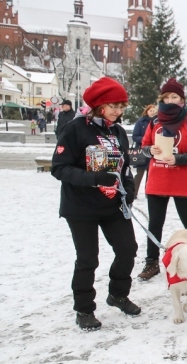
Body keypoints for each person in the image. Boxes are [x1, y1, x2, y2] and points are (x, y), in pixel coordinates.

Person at [50, 76, 140, 331]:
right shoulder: (76, 129)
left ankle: (118, 294)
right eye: (113, 106)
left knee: (127, 249)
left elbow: (124, 168)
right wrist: (93, 178)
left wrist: (129, 189)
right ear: (99, 105)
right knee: (88, 258)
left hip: (112, 205)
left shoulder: (118, 131)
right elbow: (59, 168)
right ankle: (84, 308)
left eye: (122, 106)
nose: (118, 111)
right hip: (81, 207)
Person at [137, 78, 187, 280]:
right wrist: (149, 150)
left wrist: (178, 158)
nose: (170, 100)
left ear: (182, 99)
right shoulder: (154, 122)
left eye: (174, 96)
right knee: (155, 223)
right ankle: (151, 263)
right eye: (166, 97)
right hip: (158, 180)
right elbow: (144, 147)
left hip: (182, 181)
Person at [131, 104, 157, 199]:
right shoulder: (140, 122)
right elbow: (135, 136)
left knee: (151, 173)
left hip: (153, 151)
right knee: (139, 173)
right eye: (151, 110)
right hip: (141, 151)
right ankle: (133, 193)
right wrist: (146, 140)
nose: (153, 112)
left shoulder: (157, 122)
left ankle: (149, 193)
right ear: (147, 111)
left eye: (154, 110)